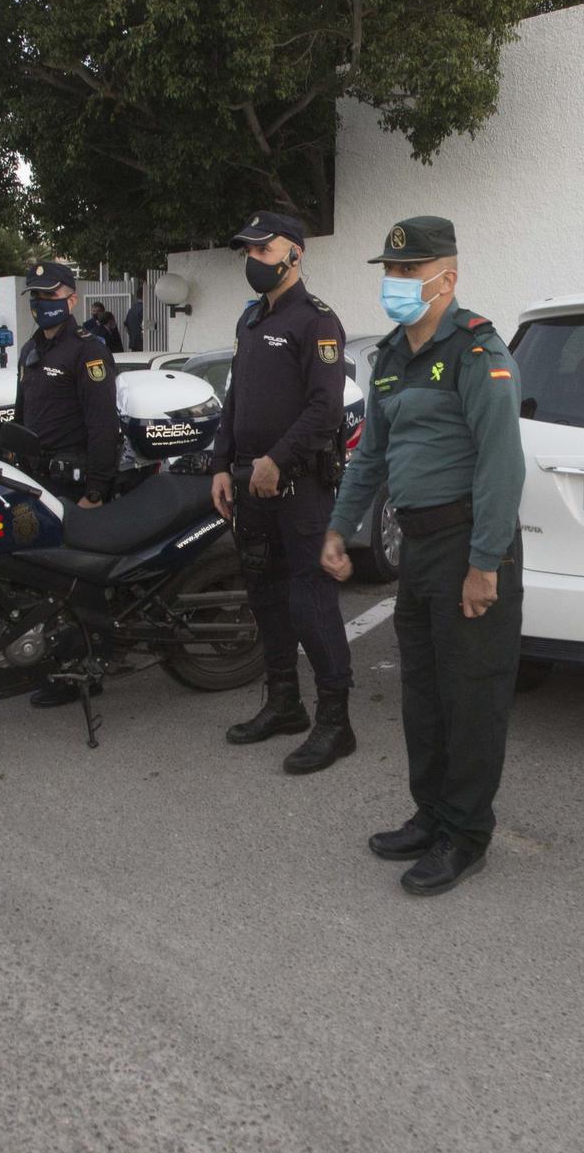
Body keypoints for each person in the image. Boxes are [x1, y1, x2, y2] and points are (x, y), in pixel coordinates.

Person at [323, 216, 524, 895]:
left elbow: (502, 463)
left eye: (410, 271)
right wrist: (338, 527)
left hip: (468, 542)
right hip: (418, 545)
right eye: (392, 271)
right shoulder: (389, 360)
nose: (397, 283)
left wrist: (485, 562)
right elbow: (371, 455)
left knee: (471, 697)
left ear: (449, 277)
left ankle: (466, 834)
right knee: (425, 695)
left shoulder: (476, 351)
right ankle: (431, 814)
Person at [208, 211, 355, 774]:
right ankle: (285, 704)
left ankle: (336, 724)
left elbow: (325, 411)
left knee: (310, 602)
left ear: (294, 255)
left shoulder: (316, 322)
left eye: (262, 251)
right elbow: (235, 402)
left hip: (300, 487)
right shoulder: (250, 321)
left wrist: (276, 459)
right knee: (265, 598)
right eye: (248, 251)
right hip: (251, 484)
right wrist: (223, 464)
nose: (253, 262)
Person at [14, 263, 121, 706]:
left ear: (72, 299)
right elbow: (21, 415)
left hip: (74, 481)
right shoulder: (30, 351)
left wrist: (95, 490)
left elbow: (103, 426)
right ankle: (55, 660)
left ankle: (90, 667)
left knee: (81, 580)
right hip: (35, 480)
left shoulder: (88, 351)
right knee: (43, 580)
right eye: (37, 296)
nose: (43, 304)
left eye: (51, 295)